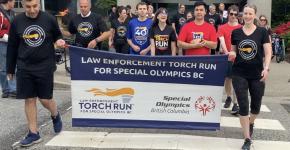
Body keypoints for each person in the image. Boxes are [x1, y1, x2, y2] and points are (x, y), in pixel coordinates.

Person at [6, 0, 66, 147]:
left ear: (39, 4)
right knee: (29, 99)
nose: (32, 10)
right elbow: (12, 46)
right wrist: (10, 68)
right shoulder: (16, 21)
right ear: (24, 5)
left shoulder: (49, 19)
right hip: (24, 66)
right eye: (28, 7)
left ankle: (55, 114)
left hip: (45, 65)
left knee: (45, 99)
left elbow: (58, 35)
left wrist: (59, 41)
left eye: (35, 6)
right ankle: (33, 133)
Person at [228, 4, 271, 150]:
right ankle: (247, 138)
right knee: (243, 105)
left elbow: (268, 52)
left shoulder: (262, 32)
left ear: (255, 15)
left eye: (250, 13)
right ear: (242, 15)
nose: (247, 16)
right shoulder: (236, 33)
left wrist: (266, 68)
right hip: (239, 73)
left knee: (256, 106)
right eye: (245, 13)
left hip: (257, 74)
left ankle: (251, 122)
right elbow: (233, 51)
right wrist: (231, 54)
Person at [217, 5, 242, 115]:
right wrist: (227, 52)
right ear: (228, 14)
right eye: (231, 14)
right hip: (226, 56)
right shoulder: (222, 27)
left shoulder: (241, 28)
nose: (233, 16)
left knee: (236, 80)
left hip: (238, 57)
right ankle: (228, 97)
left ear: (238, 15)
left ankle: (236, 104)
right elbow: (221, 40)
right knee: (228, 79)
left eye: (235, 14)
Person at [0, 0, 16, 98]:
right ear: (8, 1)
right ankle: (8, 90)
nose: (14, 3)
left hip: (10, 43)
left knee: (12, 66)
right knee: (3, 68)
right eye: (13, 1)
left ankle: (10, 89)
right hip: (2, 43)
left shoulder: (12, 12)